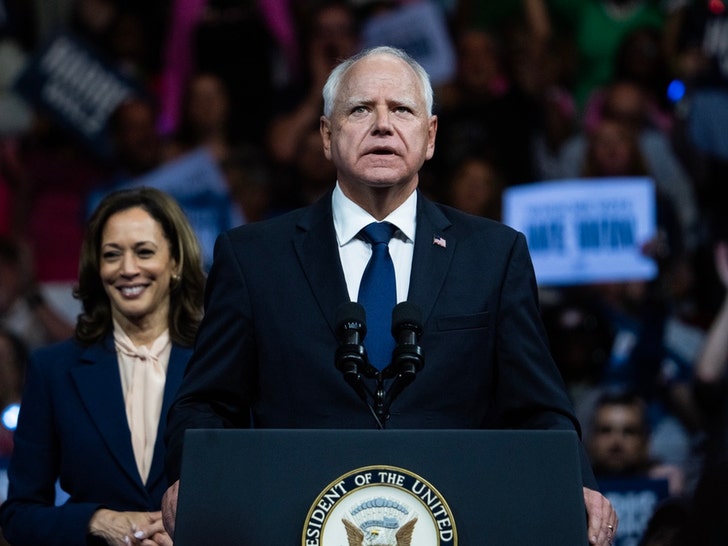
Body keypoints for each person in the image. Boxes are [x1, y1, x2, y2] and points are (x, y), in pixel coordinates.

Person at [161, 45, 617, 545]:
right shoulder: (253, 257)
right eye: (360, 109)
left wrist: (578, 483)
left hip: (460, 521)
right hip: (292, 521)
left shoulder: (493, 254)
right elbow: (205, 403)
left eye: (401, 109)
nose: (383, 125)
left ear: (431, 136)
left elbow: (539, 406)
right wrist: (193, 475)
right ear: (327, 137)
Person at [0, 187, 205, 546]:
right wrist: (97, 520)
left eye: (144, 252)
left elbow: (259, 488)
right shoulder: (53, 370)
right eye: (112, 254)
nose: (128, 269)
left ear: (175, 263)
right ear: (97, 267)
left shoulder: (218, 363)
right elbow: (18, 515)